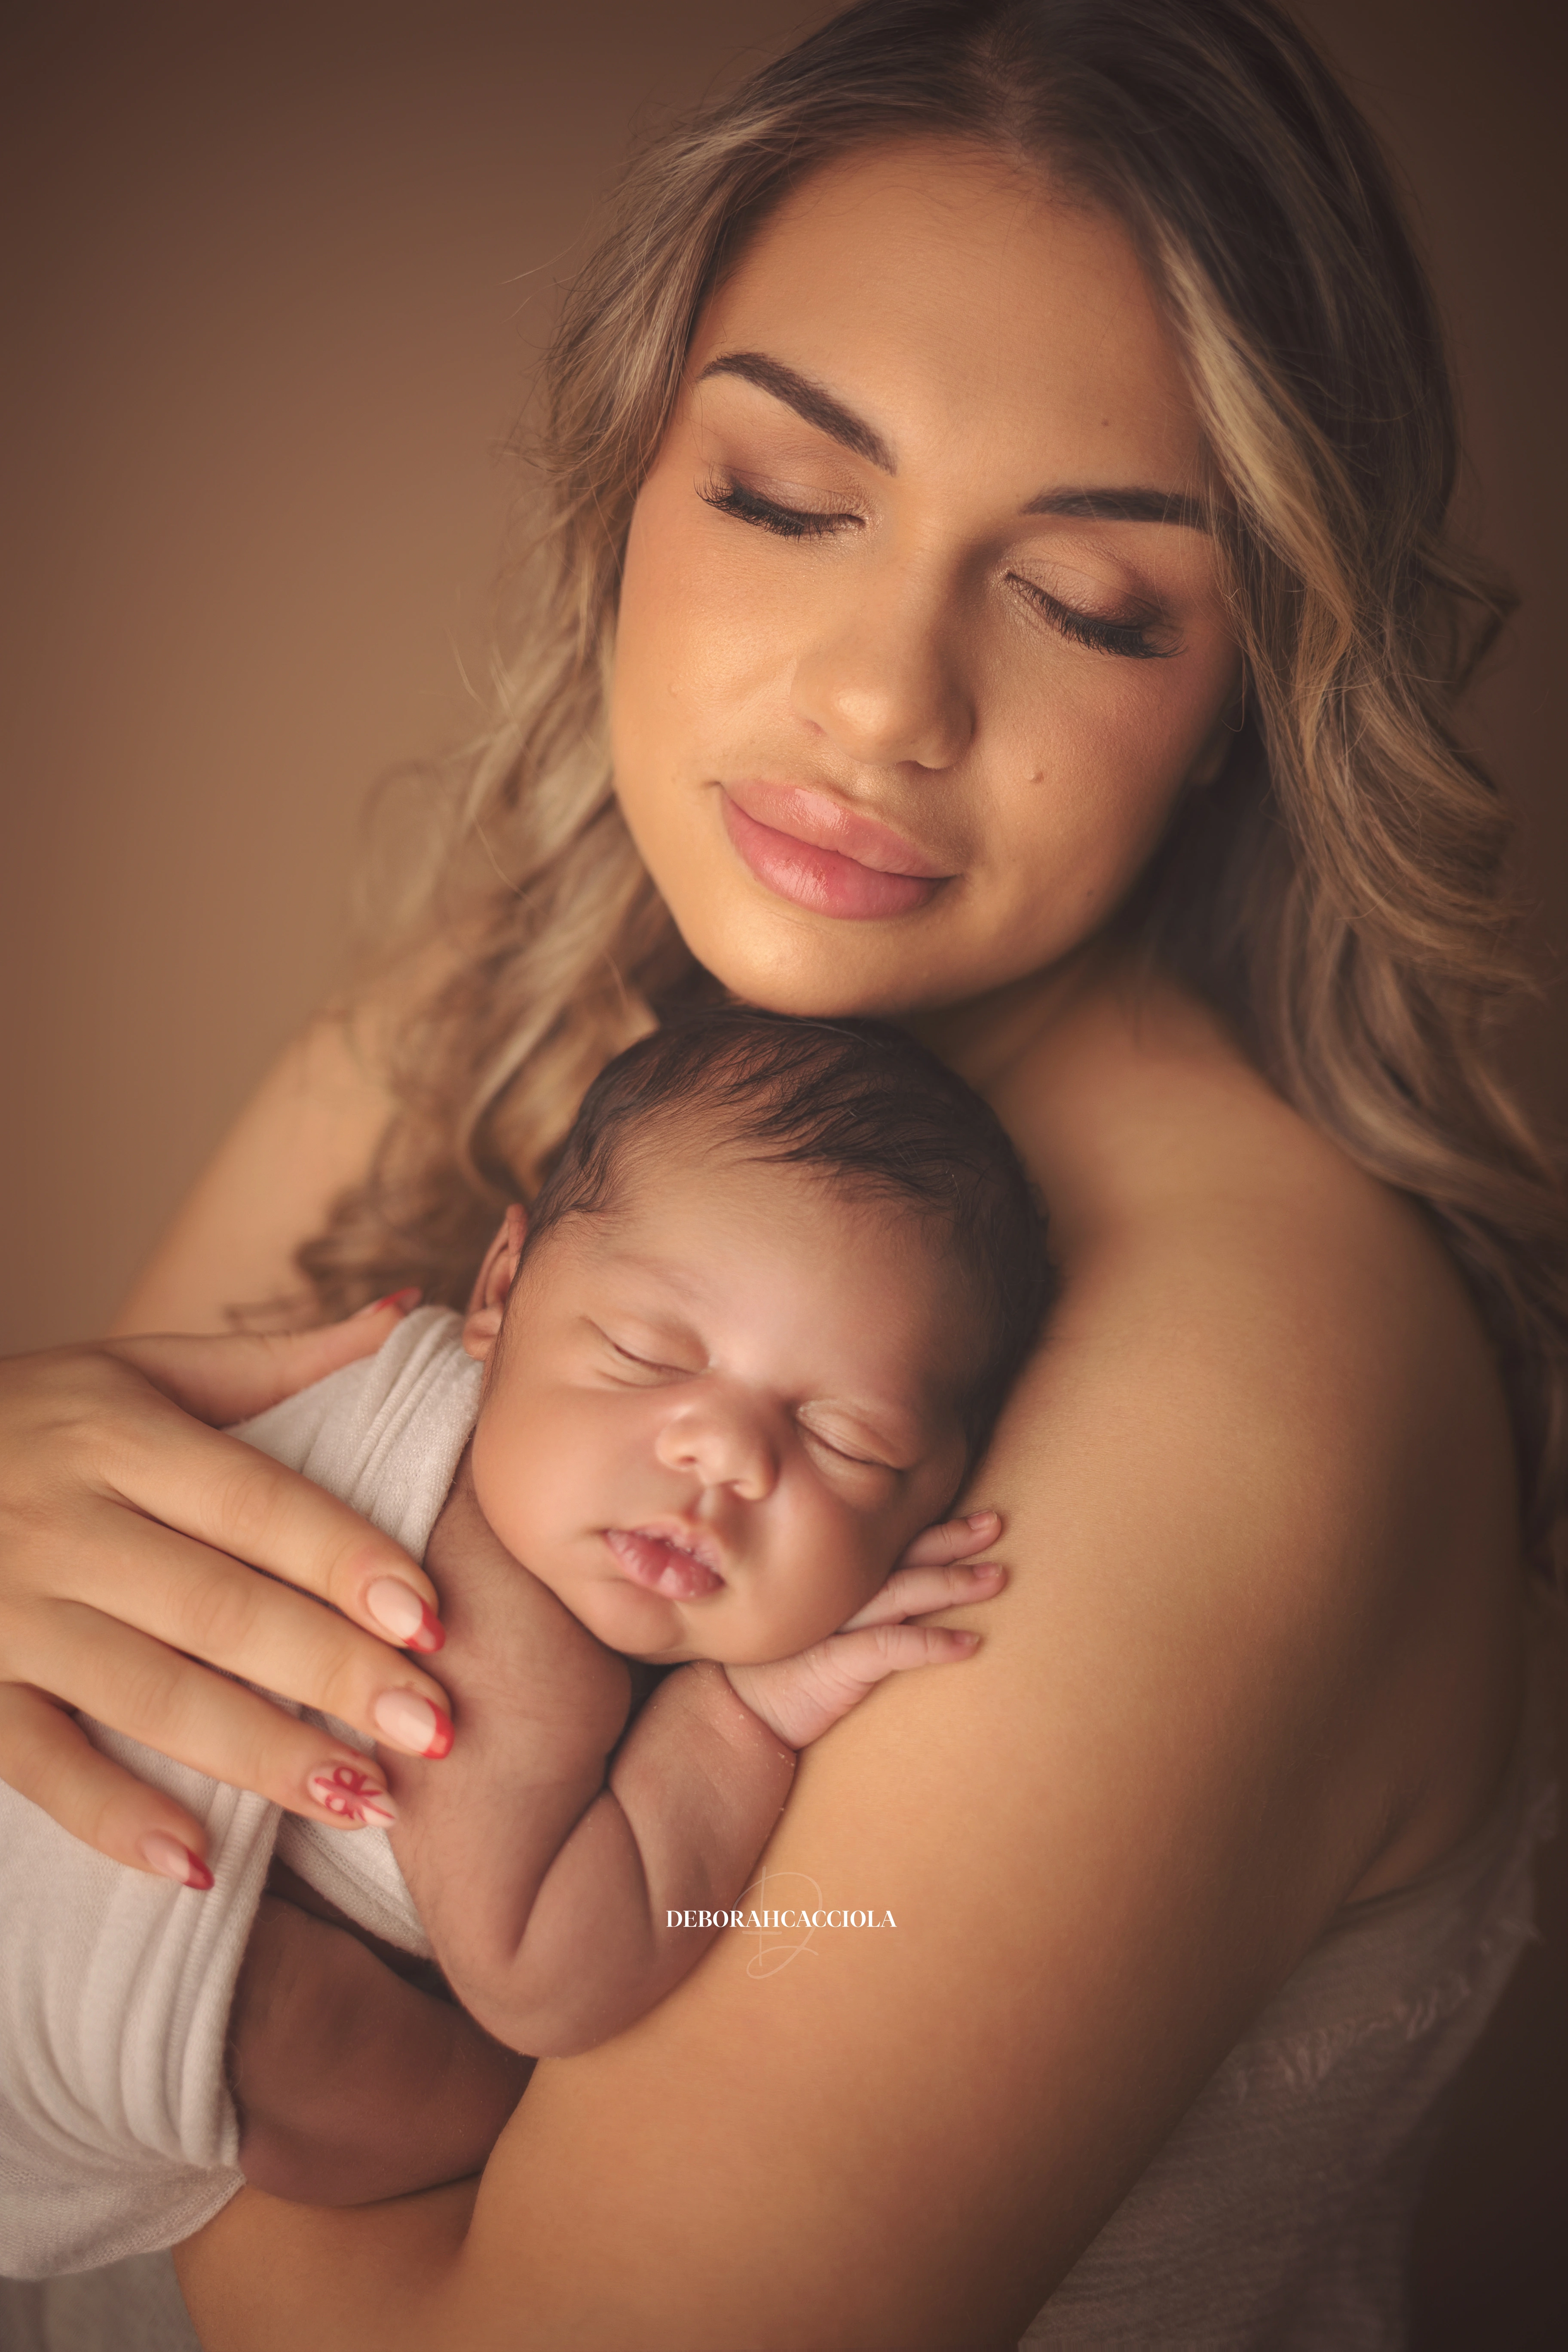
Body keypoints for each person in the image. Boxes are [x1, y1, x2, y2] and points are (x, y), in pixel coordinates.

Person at [0, 0, 1563, 2344]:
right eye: (788, 496)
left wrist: (144, 1984)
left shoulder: (1245, 1377)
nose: (882, 698)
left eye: (1090, 600)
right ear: (626, 475)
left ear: (1256, 682)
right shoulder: (484, 1006)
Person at [0, 1010, 1043, 2269]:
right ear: (499, 1293)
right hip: (79, 1944)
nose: (724, 1453)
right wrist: (742, 1715)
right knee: (312, 2037)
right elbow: (548, 1973)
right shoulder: (494, 1617)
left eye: (845, 1443)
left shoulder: (551, 1480)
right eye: (647, 1354)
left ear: (941, 1493)